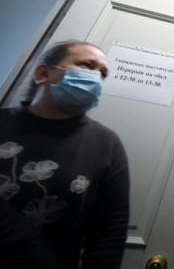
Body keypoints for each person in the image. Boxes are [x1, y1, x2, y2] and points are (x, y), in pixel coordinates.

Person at [0, 41, 130, 269]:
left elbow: (109, 233)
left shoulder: (106, 143)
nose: (96, 78)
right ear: (43, 73)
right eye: (87, 66)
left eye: (103, 74)